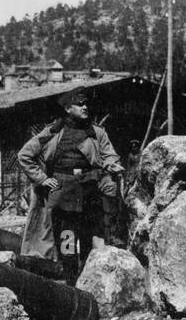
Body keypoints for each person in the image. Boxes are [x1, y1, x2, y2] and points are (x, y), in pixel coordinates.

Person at [17, 89, 124, 282]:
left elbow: (110, 155)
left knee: (89, 240)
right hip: (63, 198)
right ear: (67, 108)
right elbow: (24, 155)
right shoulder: (53, 132)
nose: (85, 107)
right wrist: (42, 179)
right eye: (79, 104)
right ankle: (70, 281)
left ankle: (89, 283)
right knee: (67, 242)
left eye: (86, 104)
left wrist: (111, 165)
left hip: (89, 195)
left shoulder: (96, 132)